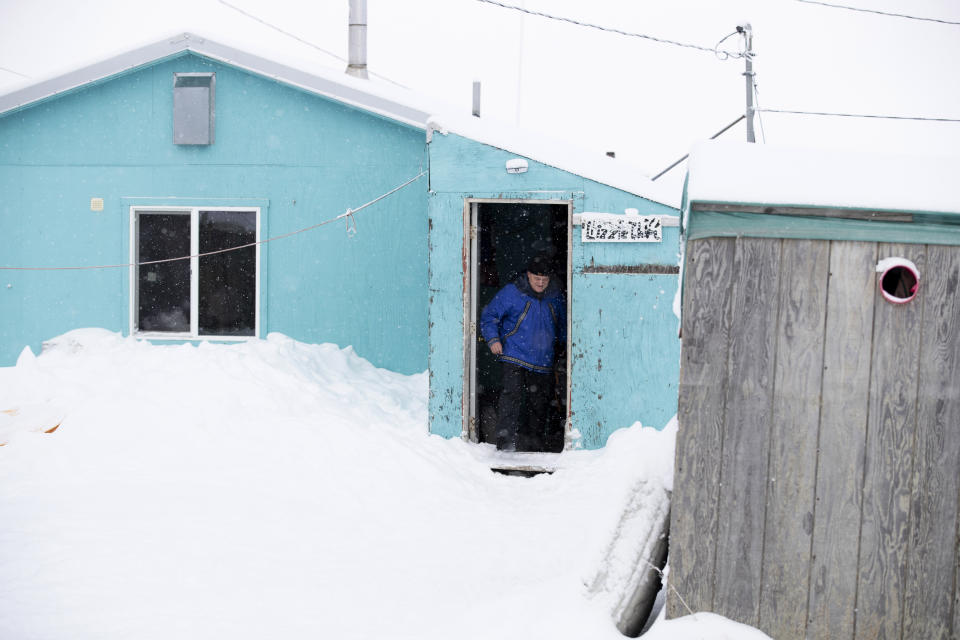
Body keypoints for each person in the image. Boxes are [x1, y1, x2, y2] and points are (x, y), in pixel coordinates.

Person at [480, 254, 566, 451]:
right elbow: (489, 316)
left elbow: (564, 325)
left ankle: (533, 445)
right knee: (512, 398)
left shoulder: (555, 296)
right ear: (528, 275)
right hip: (514, 354)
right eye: (537, 279)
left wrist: (563, 348)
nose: (541, 283)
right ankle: (505, 444)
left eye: (545, 280)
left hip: (543, 360)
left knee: (539, 404)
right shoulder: (512, 292)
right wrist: (493, 339)